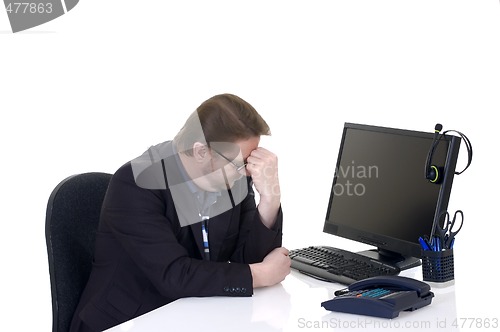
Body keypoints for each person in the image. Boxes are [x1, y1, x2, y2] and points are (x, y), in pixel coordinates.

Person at [70, 93, 291, 332]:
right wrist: (260, 275)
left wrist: (270, 199)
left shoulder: (231, 179)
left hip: (190, 314)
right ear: (200, 152)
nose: (247, 172)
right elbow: (174, 275)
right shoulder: (136, 183)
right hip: (128, 320)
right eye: (241, 163)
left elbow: (248, 260)